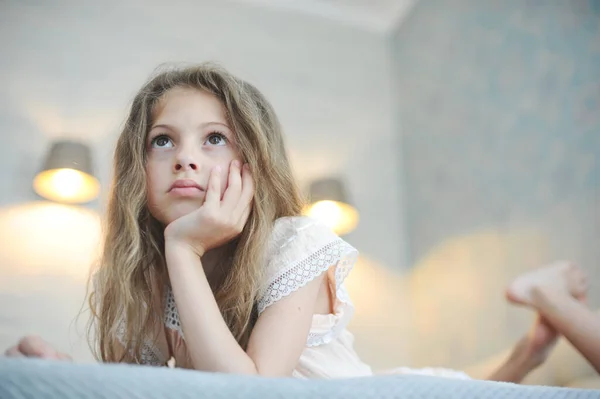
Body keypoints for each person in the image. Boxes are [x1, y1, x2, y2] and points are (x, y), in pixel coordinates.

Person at [2, 63, 560, 382]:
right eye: (162, 140)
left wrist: (182, 250)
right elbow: (145, 390)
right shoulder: (146, 279)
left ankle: (535, 337)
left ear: (254, 162)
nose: (185, 158)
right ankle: (531, 349)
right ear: (136, 172)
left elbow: (249, 393)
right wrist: (67, 373)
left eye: (214, 138)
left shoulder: (295, 243)